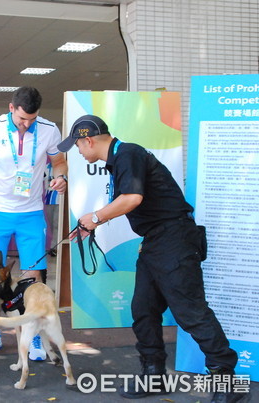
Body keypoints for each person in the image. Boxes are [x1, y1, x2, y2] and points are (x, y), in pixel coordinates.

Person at [59, 114, 248, 403]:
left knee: (191, 312)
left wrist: (94, 218)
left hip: (174, 239)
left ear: (89, 139)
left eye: (78, 146)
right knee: (144, 309)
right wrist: (92, 225)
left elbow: (132, 198)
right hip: (156, 241)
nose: (79, 153)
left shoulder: (128, 154)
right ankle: (153, 375)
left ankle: (227, 381)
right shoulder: (121, 157)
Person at [0, 86, 67, 361]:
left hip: (31, 212)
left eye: (32, 119)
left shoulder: (48, 128)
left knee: (33, 276)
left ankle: (32, 335)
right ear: (11, 108)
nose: (26, 124)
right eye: (22, 119)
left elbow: (59, 161)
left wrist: (61, 177)